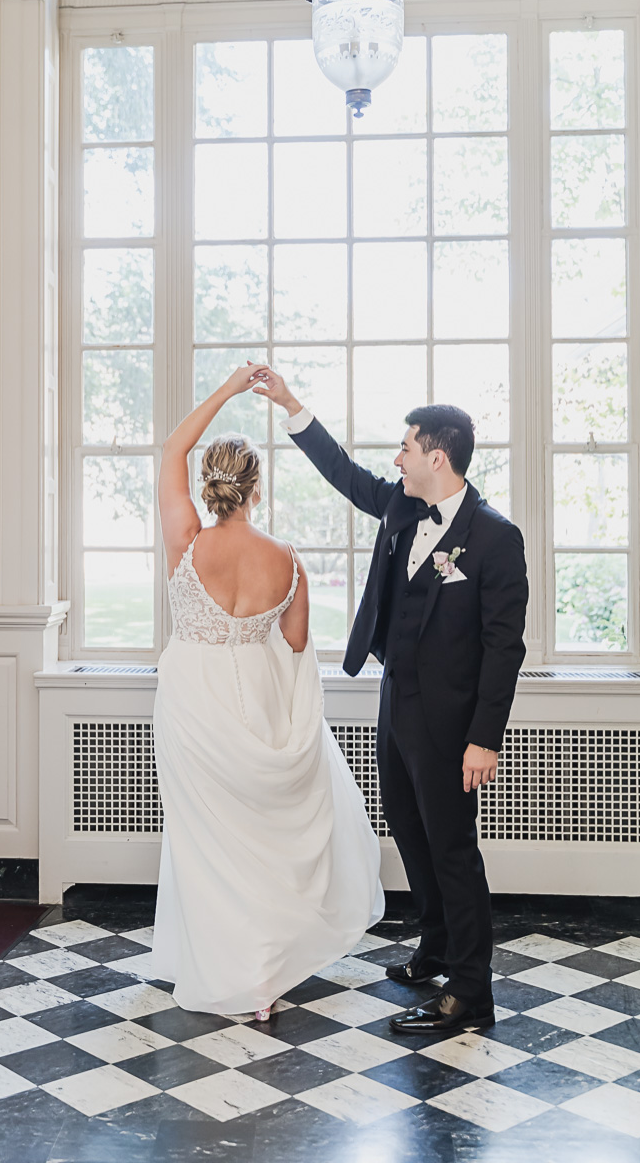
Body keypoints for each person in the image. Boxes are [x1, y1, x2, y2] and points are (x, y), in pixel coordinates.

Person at [251, 365, 528, 1036]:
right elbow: (343, 473)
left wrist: (484, 738)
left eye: (405, 448)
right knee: (410, 832)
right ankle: (435, 947)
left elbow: (504, 648)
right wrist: (291, 407)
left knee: (454, 850)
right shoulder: (404, 507)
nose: (395, 460)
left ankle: (470, 991)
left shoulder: (496, 538)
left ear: (437, 456)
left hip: (452, 723)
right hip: (395, 705)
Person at [151, 366, 384, 1018]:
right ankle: (263, 976)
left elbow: (171, 448)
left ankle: (227, 969)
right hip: (257, 699)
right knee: (258, 839)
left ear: (209, 484)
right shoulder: (288, 559)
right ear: (257, 487)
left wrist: (227, 389)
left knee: (206, 841)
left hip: (192, 699)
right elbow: (299, 644)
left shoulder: (186, 541)